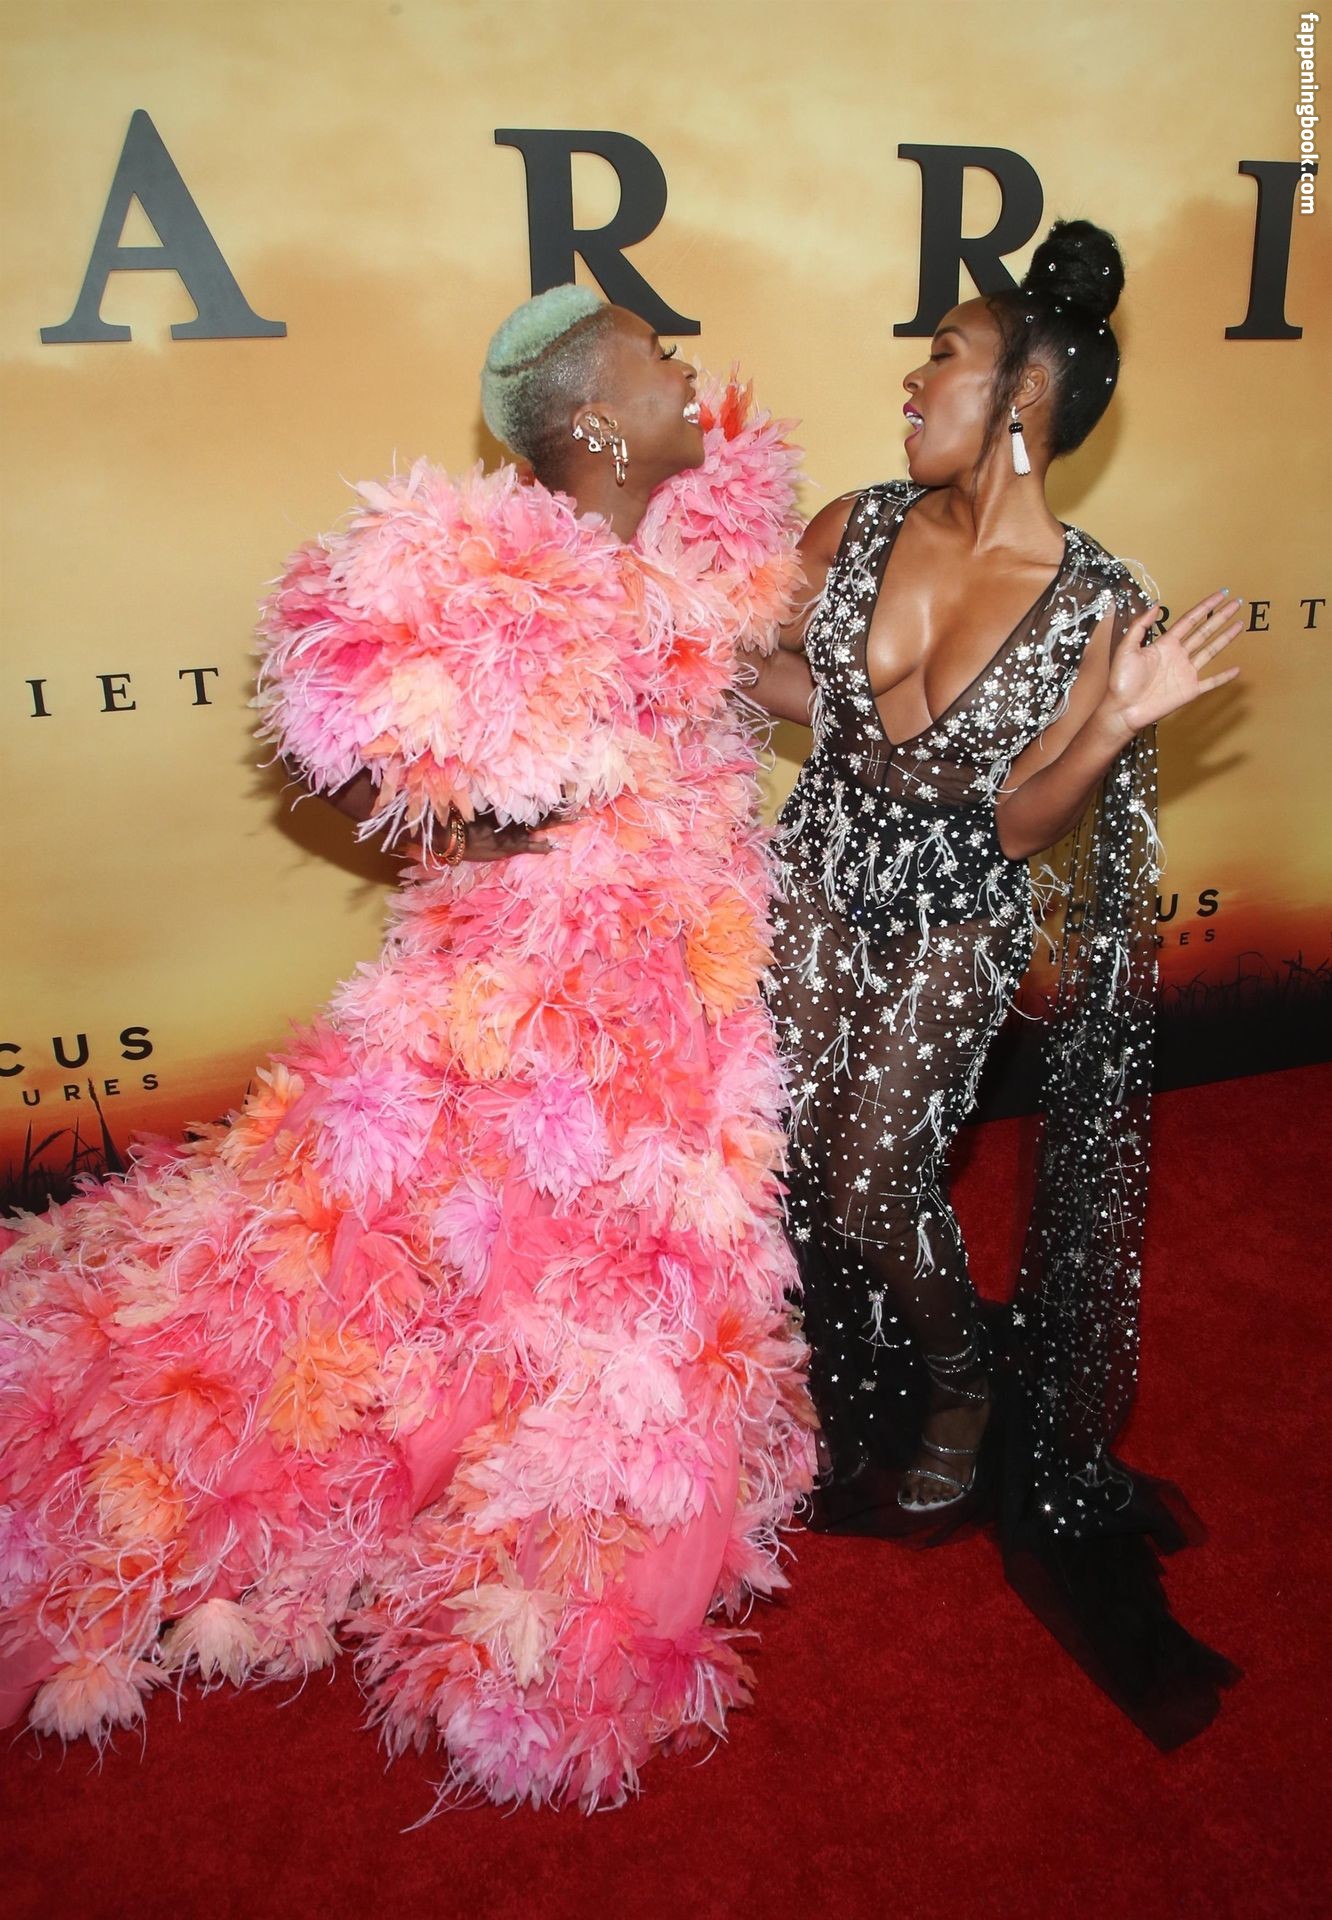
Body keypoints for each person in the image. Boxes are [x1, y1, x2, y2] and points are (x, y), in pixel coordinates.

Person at [0, 286, 816, 1809]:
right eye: (660, 355)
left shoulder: (706, 553)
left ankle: (569, 1494)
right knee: (451, 1253)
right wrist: (484, 826)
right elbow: (343, 750)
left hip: (682, 994)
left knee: (642, 1267)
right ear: (594, 415)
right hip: (522, 1000)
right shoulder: (475, 569)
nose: (690, 369)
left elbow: (791, 690)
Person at [759, 219, 1242, 1745]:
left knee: (875, 1171)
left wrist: (1116, 724)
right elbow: (795, 688)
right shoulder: (851, 522)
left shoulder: (1096, 603)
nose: (914, 379)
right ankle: (827, 1369)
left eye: (945, 357)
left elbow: (1025, 819)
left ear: (1023, 394)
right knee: (794, 1153)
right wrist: (674, 646)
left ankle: (963, 1379)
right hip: (815, 872)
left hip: (956, 913)